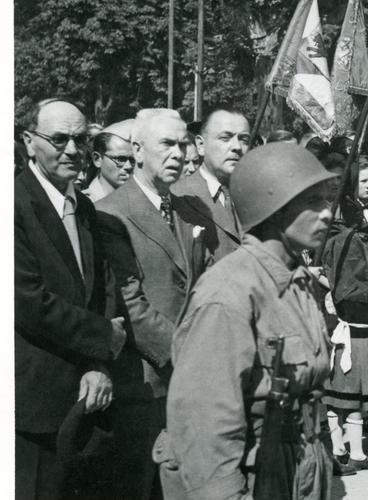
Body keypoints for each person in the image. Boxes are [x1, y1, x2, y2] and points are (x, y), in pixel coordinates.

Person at [160, 144, 337, 499]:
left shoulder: (295, 280)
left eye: (326, 200)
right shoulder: (230, 292)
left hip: (297, 466)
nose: (328, 214)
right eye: (313, 202)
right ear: (273, 209)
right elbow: (204, 422)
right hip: (254, 475)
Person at [94, 109, 214, 500]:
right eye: (167, 144)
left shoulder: (191, 211)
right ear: (138, 151)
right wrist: (185, 352)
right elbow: (130, 303)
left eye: (183, 144)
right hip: (145, 384)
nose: (179, 153)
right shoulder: (110, 214)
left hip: (194, 383)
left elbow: (207, 285)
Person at [15, 98, 127, 500]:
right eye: (59, 139)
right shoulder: (12, 204)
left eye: (81, 139)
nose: (73, 150)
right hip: (34, 407)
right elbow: (25, 300)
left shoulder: (84, 209)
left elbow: (102, 290)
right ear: (29, 142)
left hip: (87, 398)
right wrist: (101, 338)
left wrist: (97, 364)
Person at [321, 158, 368, 474]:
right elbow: (331, 270)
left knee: (350, 385)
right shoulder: (342, 225)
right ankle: (345, 450)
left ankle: (348, 450)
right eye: (362, 180)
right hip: (348, 313)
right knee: (346, 386)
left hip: (363, 307)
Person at [172, 108, 251, 260]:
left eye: (244, 140)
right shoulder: (178, 197)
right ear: (201, 145)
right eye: (225, 138)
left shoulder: (255, 196)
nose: (237, 147)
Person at [83, 131, 134, 201]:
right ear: (97, 159)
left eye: (132, 159)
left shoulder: (136, 199)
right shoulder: (84, 204)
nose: (129, 166)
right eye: (120, 159)